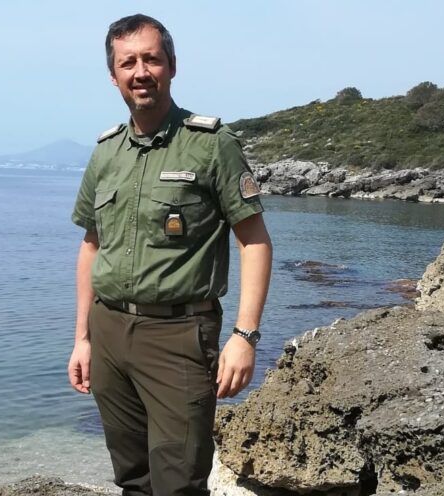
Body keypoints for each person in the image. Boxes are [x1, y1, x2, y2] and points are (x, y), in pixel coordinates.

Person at [67, 13, 272, 496]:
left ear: (172, 66)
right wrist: (82, 338)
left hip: (180, 336)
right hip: (109, 331)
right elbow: (92, 245)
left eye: (151, 59)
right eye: (128, 63)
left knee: (178, 482)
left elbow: (254, 240)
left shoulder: (212, 145)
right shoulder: (105, 152)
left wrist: (244, 336)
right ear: (114, 75)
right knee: (132, 478)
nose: (140, 72)